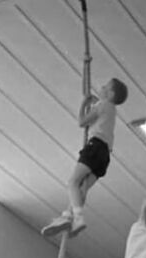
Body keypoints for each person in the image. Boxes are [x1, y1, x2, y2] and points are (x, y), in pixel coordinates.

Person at [42, 78, 129, 239]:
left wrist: (83, 103)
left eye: (105, 86)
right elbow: (101, 110)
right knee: (82, 188)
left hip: (95, 147)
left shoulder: (102, 105)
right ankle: (68, 216)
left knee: (72, 183)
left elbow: (82, 122)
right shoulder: (111, 110)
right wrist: (95, 102)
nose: (101, 87)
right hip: (105, 156)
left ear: (110, 93)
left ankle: (78, 218)